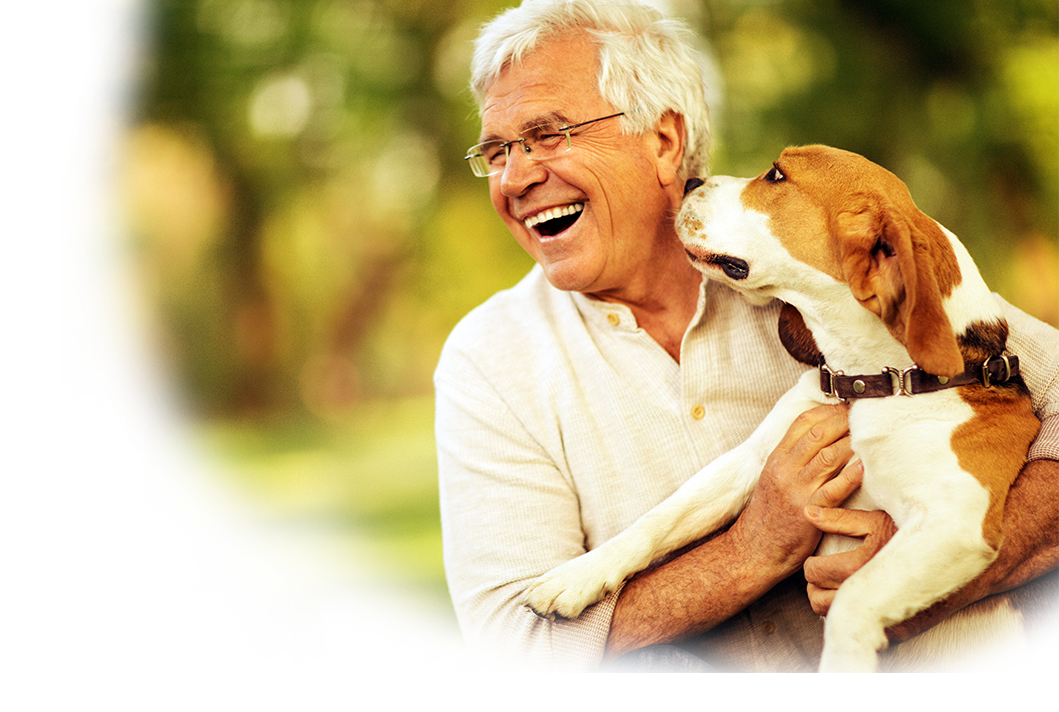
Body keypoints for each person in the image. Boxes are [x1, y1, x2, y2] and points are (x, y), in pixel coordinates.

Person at [435, 0, 1059, 673]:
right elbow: (518, 649)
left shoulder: (816, 268)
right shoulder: (488, 362)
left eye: (549, 136)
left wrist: (927, 574)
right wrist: (752, 549)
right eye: (496, 151)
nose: (516, 177)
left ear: (664, 142)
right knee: (644, 678)